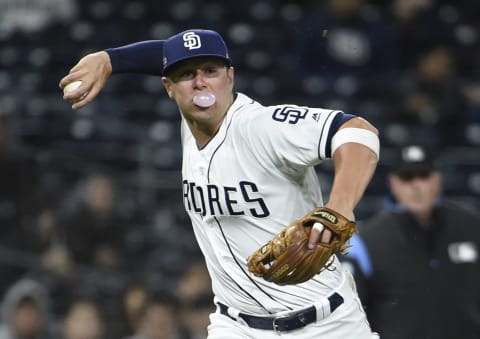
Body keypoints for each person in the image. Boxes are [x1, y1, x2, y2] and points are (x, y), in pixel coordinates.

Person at [59, 29, 380, 338]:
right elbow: (173, 52)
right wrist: (110, 59)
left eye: (211, 71)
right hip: (236, 325)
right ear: (168, 87)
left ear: (230, 77)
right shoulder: (193, 119)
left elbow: (358, 131)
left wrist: (339, 205)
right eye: (187, 75)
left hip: (326, 324)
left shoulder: (261, 127)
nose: (200, 83)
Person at [342, 144, 480, 339]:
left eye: (424, 176)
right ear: (393, 183)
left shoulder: (470, 226)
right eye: (407, 178)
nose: (416, 185)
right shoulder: (367, 240)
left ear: (438, 179)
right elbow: (351, 312)